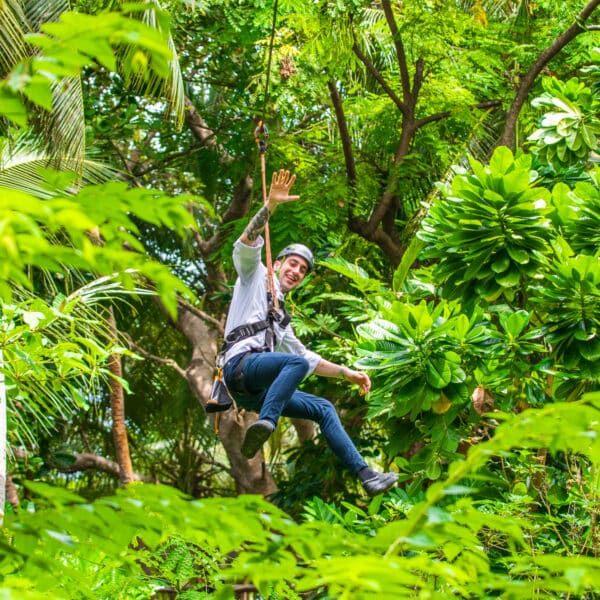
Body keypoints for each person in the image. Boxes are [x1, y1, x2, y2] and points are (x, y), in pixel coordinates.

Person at [222, 169, 398, 496]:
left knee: (323, 408)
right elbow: (247, 241)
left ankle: (366, 476)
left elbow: (307, 358)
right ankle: (268, 422)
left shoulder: (281, 315)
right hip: (238, 367)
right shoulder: (254, 276)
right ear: (278, 264)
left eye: (302, 270)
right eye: (292, 263)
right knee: (293, 366)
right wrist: (271, 205)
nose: (296, 271)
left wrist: (348, 374)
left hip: (255, 391)